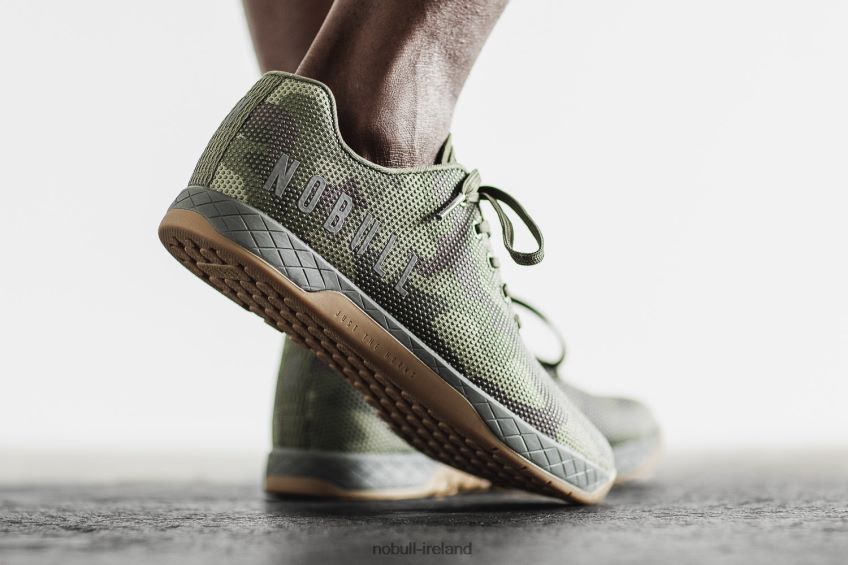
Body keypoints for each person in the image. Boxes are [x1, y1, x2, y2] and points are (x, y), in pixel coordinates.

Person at [158, 0, 659, 504]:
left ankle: (346, 377)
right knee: (390, 110)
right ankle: (387, 147)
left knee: (328, 238)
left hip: (300, 195)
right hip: (375, 186)